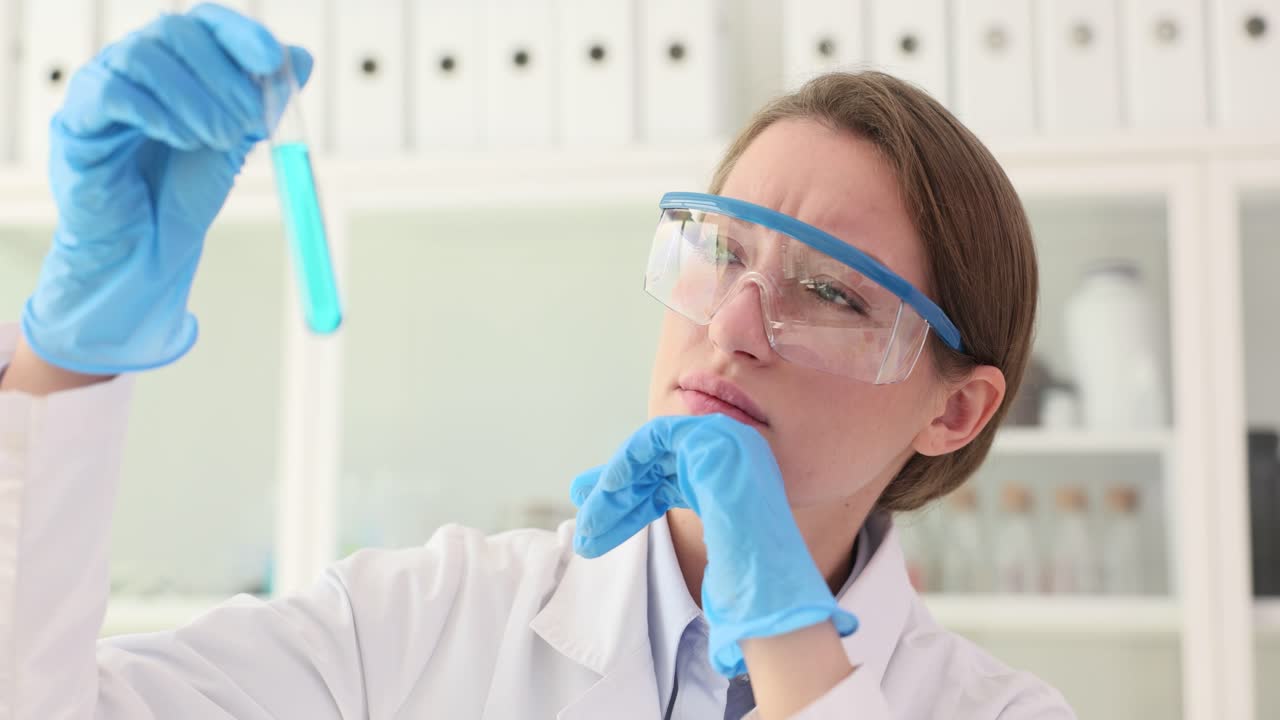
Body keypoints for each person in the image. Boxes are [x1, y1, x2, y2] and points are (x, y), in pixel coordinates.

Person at [0, 5, 1074, 719]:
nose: (734, 324)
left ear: (956, 410)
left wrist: (793, 640)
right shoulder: (424, 621)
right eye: (720, 252)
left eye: (830, 291)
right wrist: (66, 365)